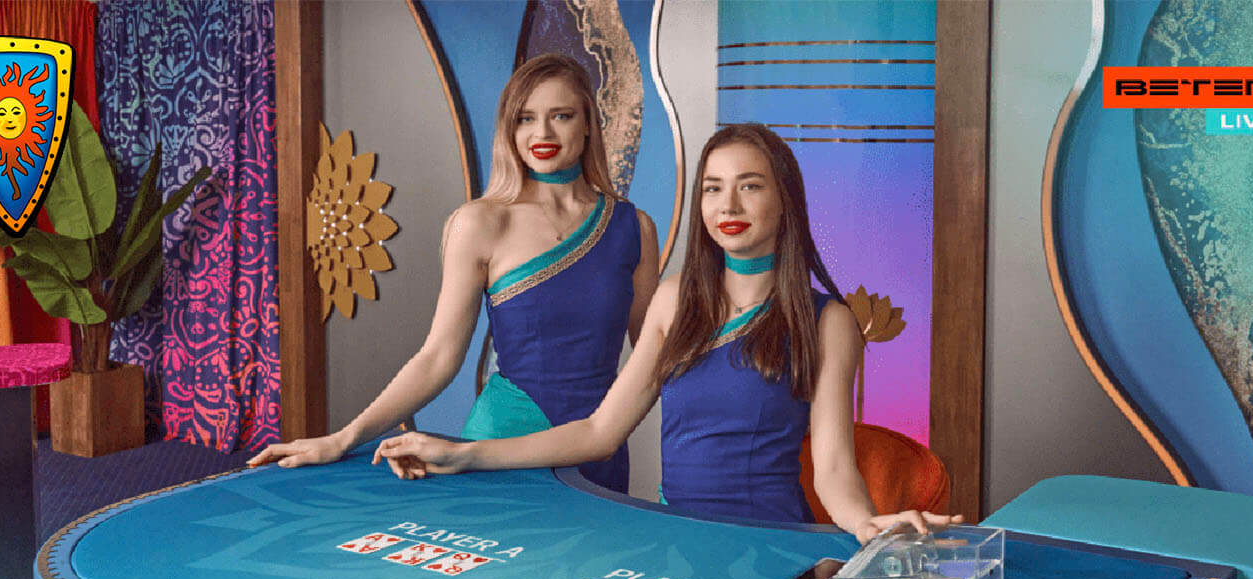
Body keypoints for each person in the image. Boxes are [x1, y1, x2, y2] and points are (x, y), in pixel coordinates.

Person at [372, 123, 957, 543]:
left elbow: (832, 469)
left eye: (751, 186)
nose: (728, 204)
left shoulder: (827, 320)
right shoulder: (675, 300)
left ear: (786, 199)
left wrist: (867, 525)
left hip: (769, 541)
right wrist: (462, 455)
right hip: (672, 536)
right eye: (713, 187)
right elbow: (599, 432)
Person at [247, 54, 659, 493]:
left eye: (561, 116)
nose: (542, 133)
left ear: (589, 124)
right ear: (509, 128)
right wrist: (343, 439)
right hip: (497, 446)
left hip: (598, 449)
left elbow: (656, 361)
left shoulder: (634, 228)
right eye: (525, 118)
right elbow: (438, 357)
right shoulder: (482, 222)